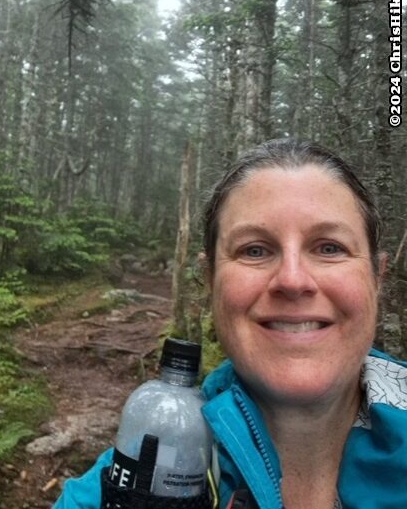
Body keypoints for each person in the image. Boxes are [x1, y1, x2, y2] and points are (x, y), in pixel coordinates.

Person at [53, 139, 407, 509]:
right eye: (254, 250)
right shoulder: (122, 489)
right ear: (210, 280)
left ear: (376, 278)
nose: (293, 280)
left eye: (329, 248)